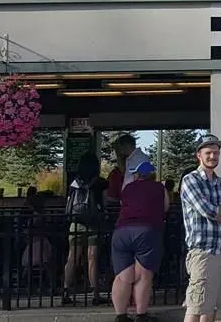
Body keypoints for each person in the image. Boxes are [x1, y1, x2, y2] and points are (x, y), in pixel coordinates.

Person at [181, 134, 221, 322]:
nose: (213, 156)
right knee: (196, 306)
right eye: (208, 153)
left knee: (214, 308)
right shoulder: (190, 180)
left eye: (216, 153)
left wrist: (220, 213)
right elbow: (207, 210)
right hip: (202, 251)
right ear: (199, 155)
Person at [110, 160, 169, 322]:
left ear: (137, 175)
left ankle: (121, 315)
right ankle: (141, 314)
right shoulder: (159, 188)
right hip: (147, 231)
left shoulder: (128, 188)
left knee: (123, 276)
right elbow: (165, 207)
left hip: (121, 231)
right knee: (143, 275)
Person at [63, 151, 109, 305]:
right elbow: (104, 202)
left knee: (72, 258)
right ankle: (95, 294)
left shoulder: (73, 183)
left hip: (75, 223)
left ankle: (65, 292)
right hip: (92, 223)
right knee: (92, 258)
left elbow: (68, 203)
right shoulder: (99, 183)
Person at [106, 133, 148, 201]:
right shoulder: (133, 158)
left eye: (120, 147)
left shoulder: (138, 159)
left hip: (135, 199)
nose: (120, 151)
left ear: (126, 145)